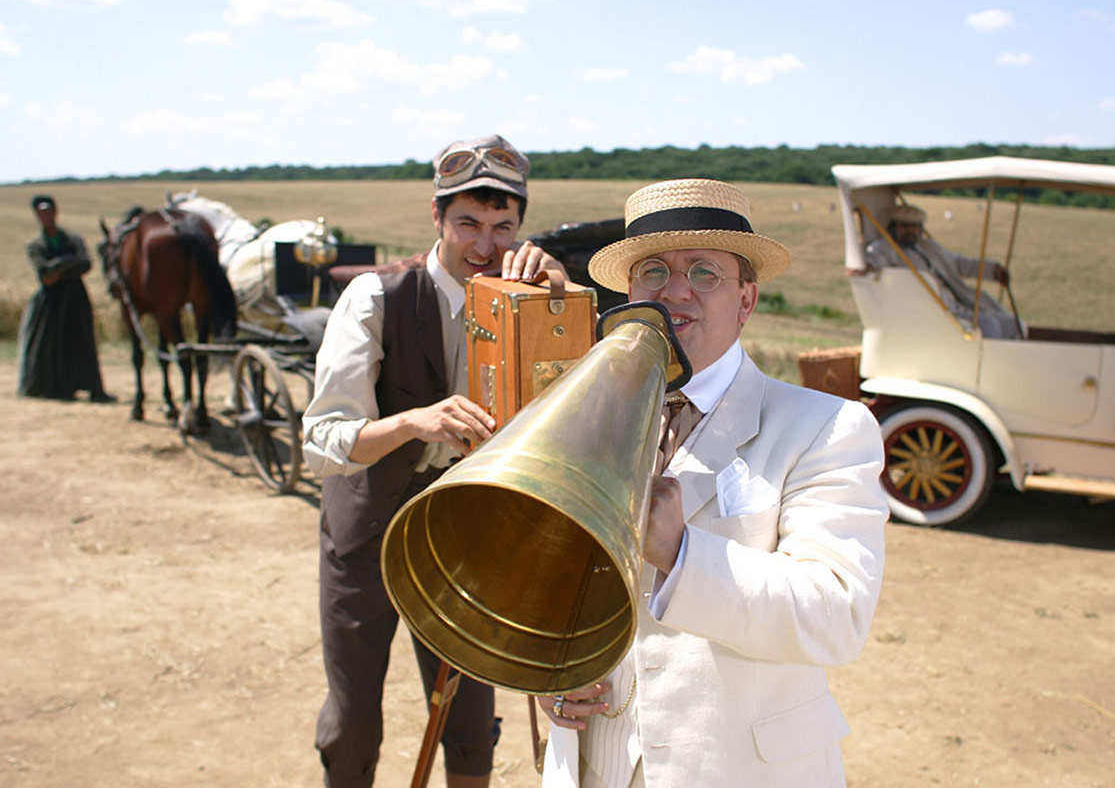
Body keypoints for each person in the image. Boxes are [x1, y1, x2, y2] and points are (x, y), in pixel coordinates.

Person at [536, 179, 889, 788]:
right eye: (653, 271)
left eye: (705, 273)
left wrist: (679, 554)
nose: (675, 291)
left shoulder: (829, 426)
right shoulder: (583, 413)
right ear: (628, 290)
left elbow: (837, 613)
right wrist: (551, 670)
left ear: (746, 300)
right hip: (598, 764)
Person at [301, 134, 569, 788]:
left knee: (472, 725)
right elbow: (323, 439)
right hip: (367, 532)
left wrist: (560, 302)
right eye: (468, 224)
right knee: (354, 721)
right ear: (437, 217)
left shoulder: (527, 295)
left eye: (504, 226)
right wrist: (414, 422)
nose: (486, 246)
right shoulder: (377, 296)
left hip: (464, 538)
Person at [861, 203, 1021, 338]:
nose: (910, 230)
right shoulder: (884, 248)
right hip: (928, 311)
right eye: (904, 226)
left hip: (955, 304)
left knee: (1014, 325)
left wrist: (993, 270)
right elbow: (872, 262)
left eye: (915, 226)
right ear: (893, 227)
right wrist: (865, 267)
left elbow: (959, 264)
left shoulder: (928, 247)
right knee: (989, 326)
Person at [17, 194, 114, 402]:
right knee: (53, 345)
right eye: (42, 213)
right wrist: (68, 262)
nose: (47, 216)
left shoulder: (73, 239)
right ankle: (58, 387)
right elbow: (45, 275)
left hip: (75, 297)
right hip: (51, 301)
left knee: (83, 341)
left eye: (50, 211)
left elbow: (85, 264)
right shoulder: (36, 245)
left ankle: (90, 387)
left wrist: (58, 268)